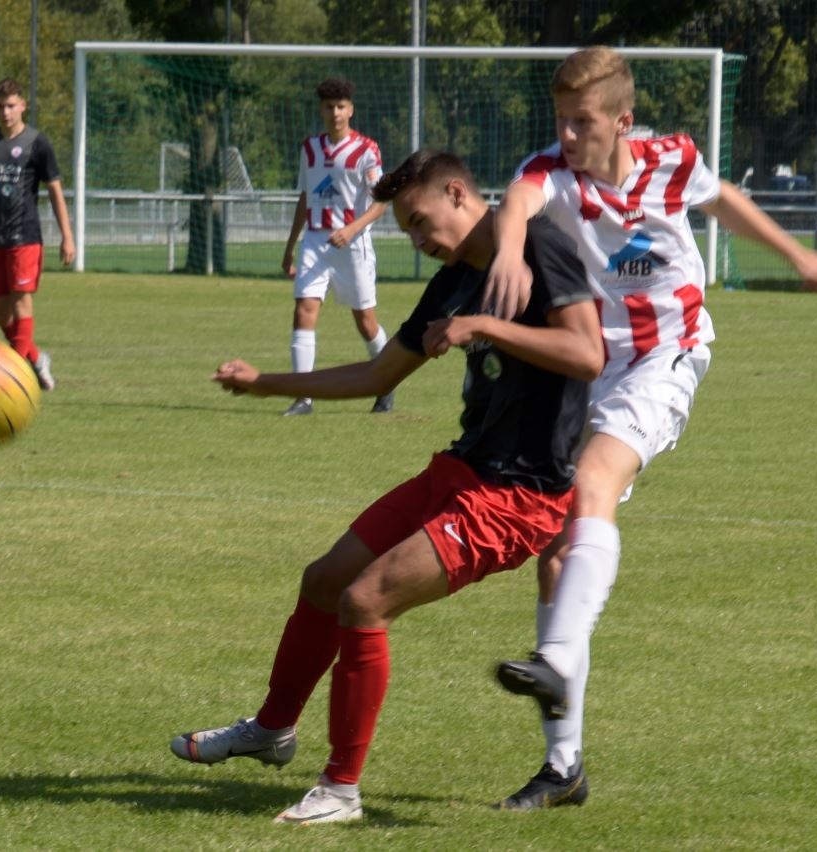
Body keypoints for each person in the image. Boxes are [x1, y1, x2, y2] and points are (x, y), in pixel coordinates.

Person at [171, 150, 604, 825]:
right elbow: (376, 378)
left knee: (364, 599)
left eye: (418, 221)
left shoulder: (538, 247)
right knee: (323, 579)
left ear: (458, 192)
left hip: (519, 496)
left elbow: (586, 354)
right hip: (460, 471)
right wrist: (264, 383)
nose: (416, 240)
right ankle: (271, 730)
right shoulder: (455, 279)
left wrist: (485, 327)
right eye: (405, 229)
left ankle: (340, 790)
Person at [483, 46, 817, 810]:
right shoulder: (552, 169)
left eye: (581, 121)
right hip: (590, 368)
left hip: (667, 355)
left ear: (622, 121)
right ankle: (563, 767)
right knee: (554, 548)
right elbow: (517, 198)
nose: (568, 134)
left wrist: (795, 253)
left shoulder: (672, 160)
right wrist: (510, 248)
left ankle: (552, 658)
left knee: (590, 488)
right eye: (560, 120)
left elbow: (726, 203)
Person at [279, 77, 393, 416]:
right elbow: (305, 198)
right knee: (304, 310)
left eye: (341, 106)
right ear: (321, 110)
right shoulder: (310, 149)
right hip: (315, 240)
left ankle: (388, 382)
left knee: (365, 321)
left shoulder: (366, 150)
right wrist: (290, 247)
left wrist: (352, 228)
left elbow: (381, 202)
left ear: (350, 110)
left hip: (353, 244)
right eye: (329, 107)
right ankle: (304, 397)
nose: (335, 113)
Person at [0, 77, 74, 391]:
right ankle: (36, 358)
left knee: (21, 305)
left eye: (11, 106)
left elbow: (55, 191)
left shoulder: (37, 143)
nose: (6, 112)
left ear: (23, 105)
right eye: (0, 106)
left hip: (25, 237)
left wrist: (67, 235)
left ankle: (14, 377)